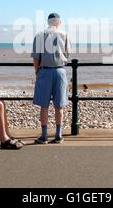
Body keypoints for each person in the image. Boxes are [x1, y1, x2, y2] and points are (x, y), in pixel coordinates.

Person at [32, 13, 71, 144]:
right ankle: (58, 134)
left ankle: (44, 136)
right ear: (59, 22)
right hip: (60, 71)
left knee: (44, 105)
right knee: (59, 105)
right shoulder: (64, 35)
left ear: (48, 22)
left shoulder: (39, 35)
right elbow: (67, 54)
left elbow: (36, 57)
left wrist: (37, 72)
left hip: (45, 71)